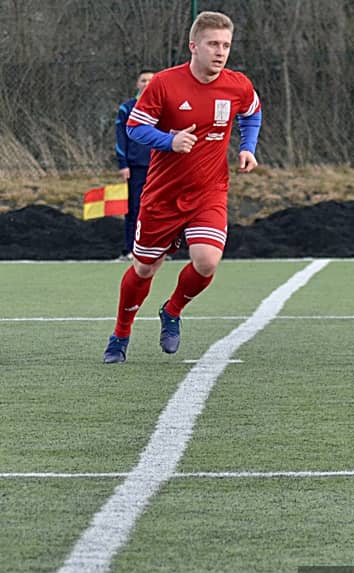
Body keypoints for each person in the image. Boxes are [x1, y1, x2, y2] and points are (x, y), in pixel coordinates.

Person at [102, 11, 261, 363]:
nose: (220, 52)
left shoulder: (237, 85)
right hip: (163, 194)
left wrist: (248, 147)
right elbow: (134, 127)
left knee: (206, 261)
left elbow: (252, 111)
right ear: (194, 46)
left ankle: (172, 310)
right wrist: (169, 141)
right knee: (145, 268)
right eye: (213, 44)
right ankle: (121, 334)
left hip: (209, 191)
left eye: (226, 45)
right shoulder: (165, 83)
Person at [114, 69, 155, 261]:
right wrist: (123, 163)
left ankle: (156, 249)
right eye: (143, 80)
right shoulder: (127, 108)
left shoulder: (165, 107)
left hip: (160, 167)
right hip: (136, 166)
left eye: (151, 80)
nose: (147, 84)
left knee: (158, 209)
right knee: (135, 208)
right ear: (137, 84)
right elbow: (120, 138)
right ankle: (131, 249)